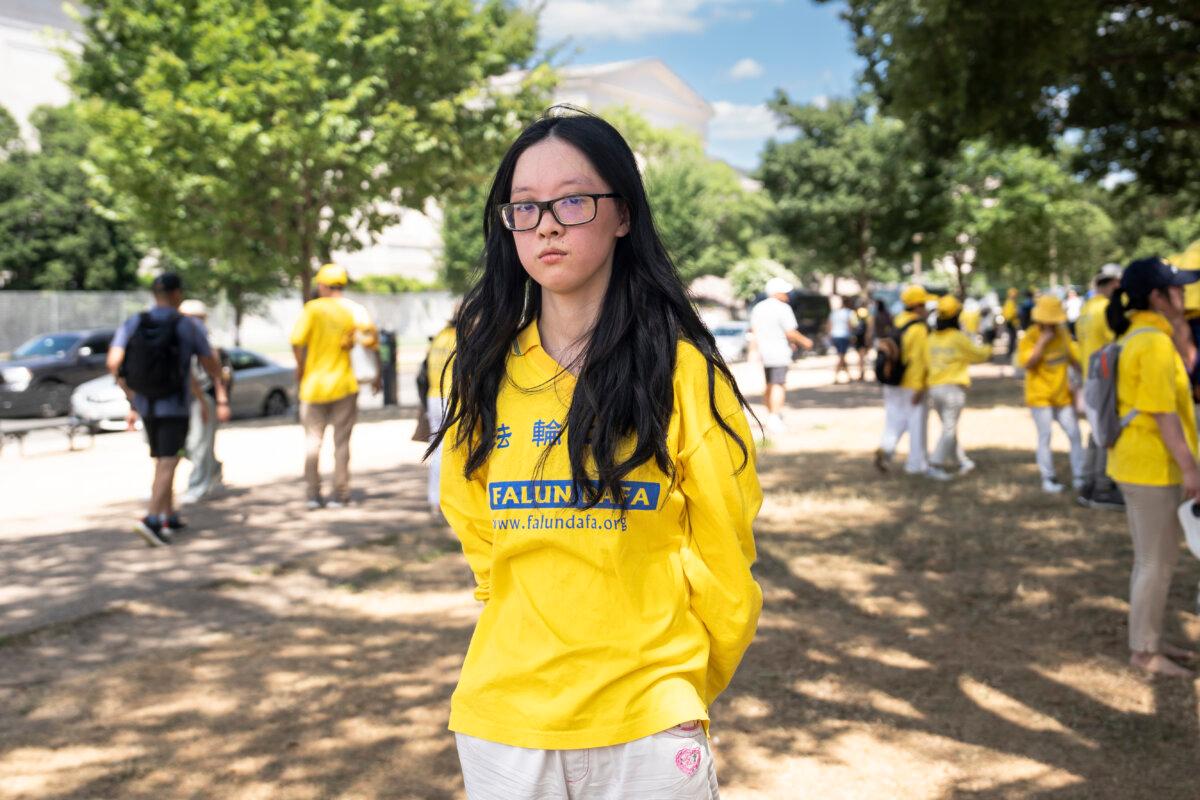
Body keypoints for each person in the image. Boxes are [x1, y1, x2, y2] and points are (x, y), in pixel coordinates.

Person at [431, 108, 762, 799]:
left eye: (574, 200)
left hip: (650, 717)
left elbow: (724, 560)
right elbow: (478, 534)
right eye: (525, 207)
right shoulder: (480, 369)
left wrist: (681, 689)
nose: (547, 223)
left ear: (622, 216)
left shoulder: (683, 374)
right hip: (506, 720)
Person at [1105, 257, 1200, 678]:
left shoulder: (1145, 336)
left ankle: (1151, 640)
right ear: (1157, 296)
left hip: (1140, 463)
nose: (1183, 294)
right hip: (1151, 468)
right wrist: (1191, 468)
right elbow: (1163, 414)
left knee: (1154, 559)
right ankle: (1144, 652)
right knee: (1155, 563)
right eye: (1176, 289)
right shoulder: (1153, 343)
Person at [107, 273, 230, 546]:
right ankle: (152, 519)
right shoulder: (187, 325)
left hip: (146, 403)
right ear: (177, 294)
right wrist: (219, 385)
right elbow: (209, 364)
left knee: (161, 458)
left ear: (154, 294)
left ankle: (168, 513)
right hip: (175, 404)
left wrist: (132, 397)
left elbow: (114, 362)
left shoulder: (134, 322)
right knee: (169, 460)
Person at [290, 263, 381, 510]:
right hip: (345, 384)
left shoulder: (312, 309)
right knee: (341, 443)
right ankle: (339, 494)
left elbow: (297, 342)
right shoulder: (355, 310)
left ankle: (312, 495)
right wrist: (378, 376)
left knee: (312, 442)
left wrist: (300, 369)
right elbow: (373, 342)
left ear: (321, 285)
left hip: (313, 386)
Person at [1018, 295, 1085, 493]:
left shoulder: (1063, 333)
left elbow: (1074, 358)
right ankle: (1048, 477)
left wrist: (1084, 378)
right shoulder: (1030, 336)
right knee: (1045, 436)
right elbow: (1028, 363)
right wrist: (1042, 342)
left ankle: (1080, 475)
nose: (1052, 325)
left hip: (1062, 395)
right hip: (1040, 396)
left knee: (1074, 433)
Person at [925, 295, 993, 480]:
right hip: (952, 390)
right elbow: (978, 355)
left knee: (949, 427)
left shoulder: (931, 338)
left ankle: (962, 461)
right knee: (949, 428)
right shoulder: (957, 338)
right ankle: (935, 464)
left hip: (934, 388)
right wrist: (989, 345)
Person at [1075, 263, 1124, 510]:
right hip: (1105, 377)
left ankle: (1088, 482)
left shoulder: (1086, 308)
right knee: (1104, 431)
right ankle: (1102, 486)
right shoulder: (1105, 308)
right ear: (1113, 282)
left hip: (1090, 375)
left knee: (1095, 432)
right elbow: (1118, 340)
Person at [875, 285, 932, 476]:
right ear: (917, 306)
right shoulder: (919, 328)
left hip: (892, 383)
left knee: (894, 421)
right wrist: (921, 386)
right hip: (912, 384)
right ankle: (916, 465)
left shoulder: (897, 322)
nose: (926, 309)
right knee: (917, 426)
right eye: (924, 304)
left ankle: (886, 448)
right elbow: (922, 359)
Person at [179, 299, 227, 505]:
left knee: (200, 443)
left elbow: (217, 373)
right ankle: (213, 467)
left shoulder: (206, 339)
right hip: (185, 396)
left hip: (203, 395)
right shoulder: (182, 337)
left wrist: (222, 400)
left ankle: (198, 484)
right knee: (188, 444)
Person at [749, 276, 812, 435]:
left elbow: (754, 331)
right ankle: (775, 417)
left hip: (764, 352)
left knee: (769, 384)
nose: (787, 295)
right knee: (778, 384)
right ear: (776, 293)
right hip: (778, 351)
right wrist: (805, 342)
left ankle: (770, 415)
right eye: (785, 292)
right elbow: (790, 332)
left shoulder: (758, 308)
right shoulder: (783, 308)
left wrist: (753, 351)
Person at [424, 315, 457, 518]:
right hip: (452, 397)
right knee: (450, 450)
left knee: (437, 449)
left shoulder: (440, 337)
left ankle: (435, 499)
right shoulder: (461, 337)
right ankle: (444, 501)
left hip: (434, 397)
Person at [828, 295, 854, 384]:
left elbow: (830, 325)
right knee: (842, 356)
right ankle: (836, 376)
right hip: (844, 336)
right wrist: (851, 335)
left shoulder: (834, 313)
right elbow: (850, 325)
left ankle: (849, 376)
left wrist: (830, 336)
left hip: (835, 336)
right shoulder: (849, 312)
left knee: (842, 355)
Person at [851, 301, 871, 381]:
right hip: (864, 337)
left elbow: (853, 325)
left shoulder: (855, 313)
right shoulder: (866, 312)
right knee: (863, 356)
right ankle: (862, 372)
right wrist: (868, 337)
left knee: (860, 356)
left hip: (858, 336)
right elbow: (869, 325)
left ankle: (861, 372)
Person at [1002, 288, 1020, 355]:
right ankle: (1011, 352)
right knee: (1012, 337)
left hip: (1010, 322)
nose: (1015, 296)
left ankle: (1011, 351)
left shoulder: (1009, 302)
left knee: (1012, 337)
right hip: (1011, 322)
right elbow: (1010, 313)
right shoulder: (1010, 302)